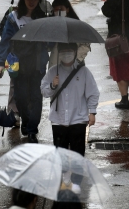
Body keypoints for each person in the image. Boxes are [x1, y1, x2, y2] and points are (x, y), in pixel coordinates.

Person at [41, 42, 99, 193]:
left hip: (78, 119)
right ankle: (64, 177)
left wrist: (92, 112)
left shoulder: (84, 72)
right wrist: (53, 85)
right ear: (59, 53)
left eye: (69, 51)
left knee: (78, 152)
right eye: (63, 51)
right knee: (60, 151)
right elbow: (44, 91)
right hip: (58, 119)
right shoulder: (53, 71)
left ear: (74, 52)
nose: (66, 54)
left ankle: (77, 181)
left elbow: (93, 92)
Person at [0, 0, 49, 143]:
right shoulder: (13, 18)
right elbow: (5, 41)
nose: (31, 2)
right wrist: (1, 63)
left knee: (36, 97)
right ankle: (26, 120)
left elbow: (49, 42)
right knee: (20, 97)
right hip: (17, 64)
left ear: (39, 0)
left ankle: (32, 130)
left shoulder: (42, 18)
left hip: (37, 64)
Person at [49, 0, 91, 68]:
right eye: (56, 9)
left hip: (74, 65)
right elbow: (48, 48)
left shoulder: (77, 26)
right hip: (56, 66)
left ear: (67, 9)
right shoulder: (51, 25)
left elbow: (85, 45)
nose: (58, 12)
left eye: (61, 9)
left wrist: (75, 59)